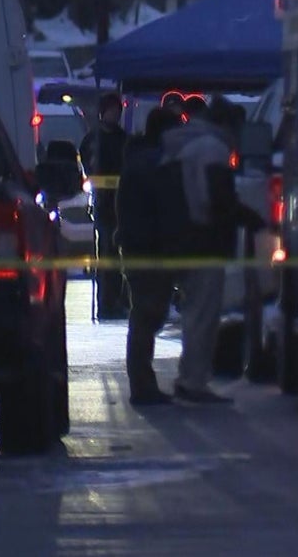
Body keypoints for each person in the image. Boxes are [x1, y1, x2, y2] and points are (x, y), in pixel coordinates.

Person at [159, 95, 265, 403]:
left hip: (184, 237)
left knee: (194, 313)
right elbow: (219, 198)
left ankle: (189, 378)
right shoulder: (213, 149)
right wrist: (250, 218)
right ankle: (194, 382)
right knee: (203, 315)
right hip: (205, 239)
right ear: (228, 125)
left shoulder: (190, 144)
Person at [115, 107, 185, 406]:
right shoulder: (157, 163)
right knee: (147, 314)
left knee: (145, 313)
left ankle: (142, 382)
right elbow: (168, 210)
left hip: (137, 246)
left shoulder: (137, 159)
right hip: (152, 248)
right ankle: (143, 385)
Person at [79, 92, 129, 319]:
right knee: (107, 254)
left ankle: (119, 300)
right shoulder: (93, 139)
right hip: (103, 205)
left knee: (120, 257)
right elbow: (90, 168)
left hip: (122, 204)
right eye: (111, 110)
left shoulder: (123, 138)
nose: (115, 115)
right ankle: (106, 303)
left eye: (117, 111)